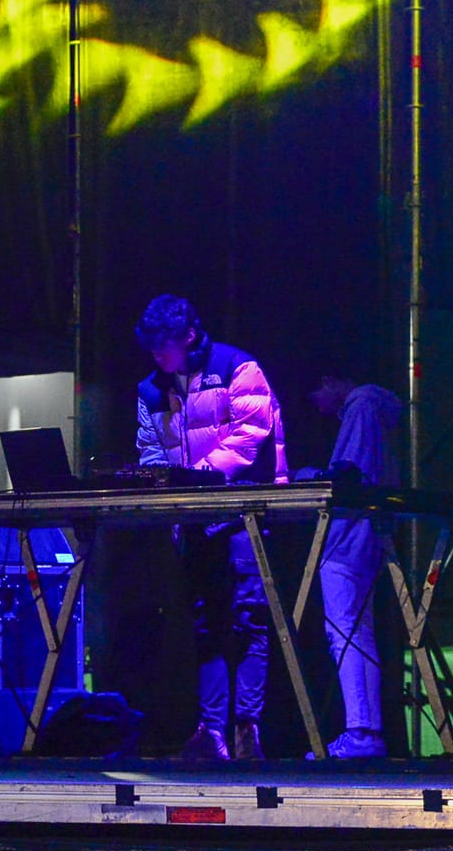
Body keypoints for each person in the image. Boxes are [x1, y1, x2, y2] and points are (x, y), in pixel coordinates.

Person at [133, 294, 287, 762]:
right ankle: (213, 732)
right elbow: (150, 449)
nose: (157, 354)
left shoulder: (238, 368)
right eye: (152, 346)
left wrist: (195, 478)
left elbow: (251, 435)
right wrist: (164, 484)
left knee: (248, 618)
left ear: (188, 336)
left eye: (164, 344)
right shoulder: (151, 389)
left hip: (242, 515)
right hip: (195, 520)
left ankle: (247, 727)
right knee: (205, 624)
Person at [306, 374, 403, 760]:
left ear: (330, 381)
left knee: (345, 631)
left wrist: (310, 478)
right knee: (356, 631)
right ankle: (365, 730)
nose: (317, 404)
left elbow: (350, 473)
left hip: (348, 536)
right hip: (366, 535)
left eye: (316, 392)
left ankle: (362, 731)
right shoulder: (377, 409)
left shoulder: (361, 406)